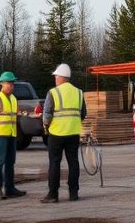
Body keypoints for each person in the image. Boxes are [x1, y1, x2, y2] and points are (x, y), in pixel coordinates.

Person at [40, 63, 87, 203]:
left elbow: (47, 115)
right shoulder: (79, 92)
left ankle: (53, 194)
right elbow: (83, 113)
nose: (55, 78)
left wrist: (46, 126)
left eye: (56, 76)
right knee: (73, 162)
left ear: (61, 77)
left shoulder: (53, 92)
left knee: (54, 163)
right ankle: (73, 193)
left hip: (56, 133)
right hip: (73, 133)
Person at [0, 71, 27, 200]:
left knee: (10, 162)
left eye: (12, 83)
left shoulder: (13, 99)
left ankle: (10, 188)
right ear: (2, 84)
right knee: (0, 161)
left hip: (11, 134)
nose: (11, 85)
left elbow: (14, 115)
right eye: (9, 83)